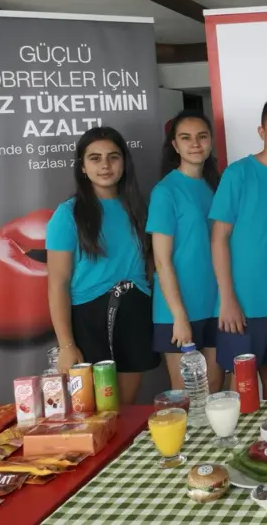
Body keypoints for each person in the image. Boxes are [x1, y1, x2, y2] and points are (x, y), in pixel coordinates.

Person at [47, 126, 158, 405]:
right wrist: (67, 345)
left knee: (125, 407)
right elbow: (58, 282)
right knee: (96, 412)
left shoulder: (138, 209)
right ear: (83, 167)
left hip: (135, 311)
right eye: (95, 158)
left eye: (113, 157)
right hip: (90, 318)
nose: (105, 165)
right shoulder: (68, 214)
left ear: (124, 163)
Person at [210, 96, 267, 399]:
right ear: (261, 131)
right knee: (242, 384)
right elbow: (219, 238)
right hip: (242, 303)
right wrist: (227, 299)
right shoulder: (238, 173)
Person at [147, 110, 224, 393]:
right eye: (186, 138)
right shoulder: (165, 191)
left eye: (202, 137)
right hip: (178, 309)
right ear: (175, 145)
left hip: (215, 303)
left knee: (215, 388)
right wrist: (179, 315)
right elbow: (161, 260)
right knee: (187, 394)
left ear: (210, 141)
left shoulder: (215, 187)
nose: (195, 144)